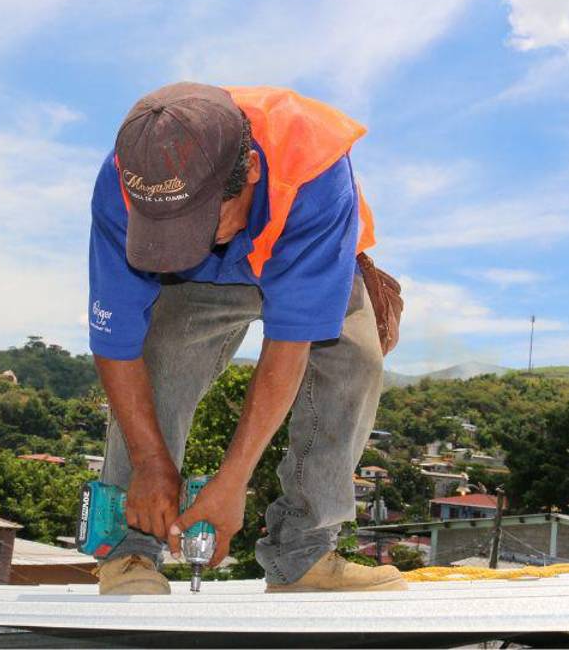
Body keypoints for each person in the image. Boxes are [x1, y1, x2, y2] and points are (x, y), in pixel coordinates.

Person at [87, 82, 404, 594]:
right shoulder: (128, 178)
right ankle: (129, 552)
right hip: (196, 285)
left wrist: (232, 483)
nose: (185, 243)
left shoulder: (314, 167)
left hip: (300, 252)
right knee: (160, 357)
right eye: (165, 229)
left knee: (354, 362)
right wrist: (150, 463)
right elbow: (116, 339)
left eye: (198, 224)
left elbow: (289, 345)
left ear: (250, 173)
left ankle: (302, 554)